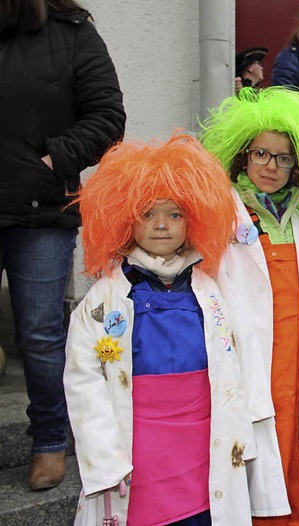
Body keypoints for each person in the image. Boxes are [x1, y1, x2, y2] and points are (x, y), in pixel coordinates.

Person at [64, 133, 255, 526]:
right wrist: (105, 457)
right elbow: (83, 380)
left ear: (194, 220)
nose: (161, 225)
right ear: (125, 219)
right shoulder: (103, 301)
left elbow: (232, 366)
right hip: (137, 451)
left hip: (201, 445)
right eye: (147, 214)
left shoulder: (210, 290)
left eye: (174, 214)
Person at [199, 87, 299, 525]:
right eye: (261, 154)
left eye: (283, 158)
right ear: (242, 155)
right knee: (260, 468)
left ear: (297, 166)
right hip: (253, 362)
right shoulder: (223, 213)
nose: (271, 166)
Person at [0, 0, 125, 490]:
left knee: (41, 335)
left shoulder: (72, 33)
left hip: (40, 212)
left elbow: (107, 116)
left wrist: (52, 160)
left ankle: (50, 441)